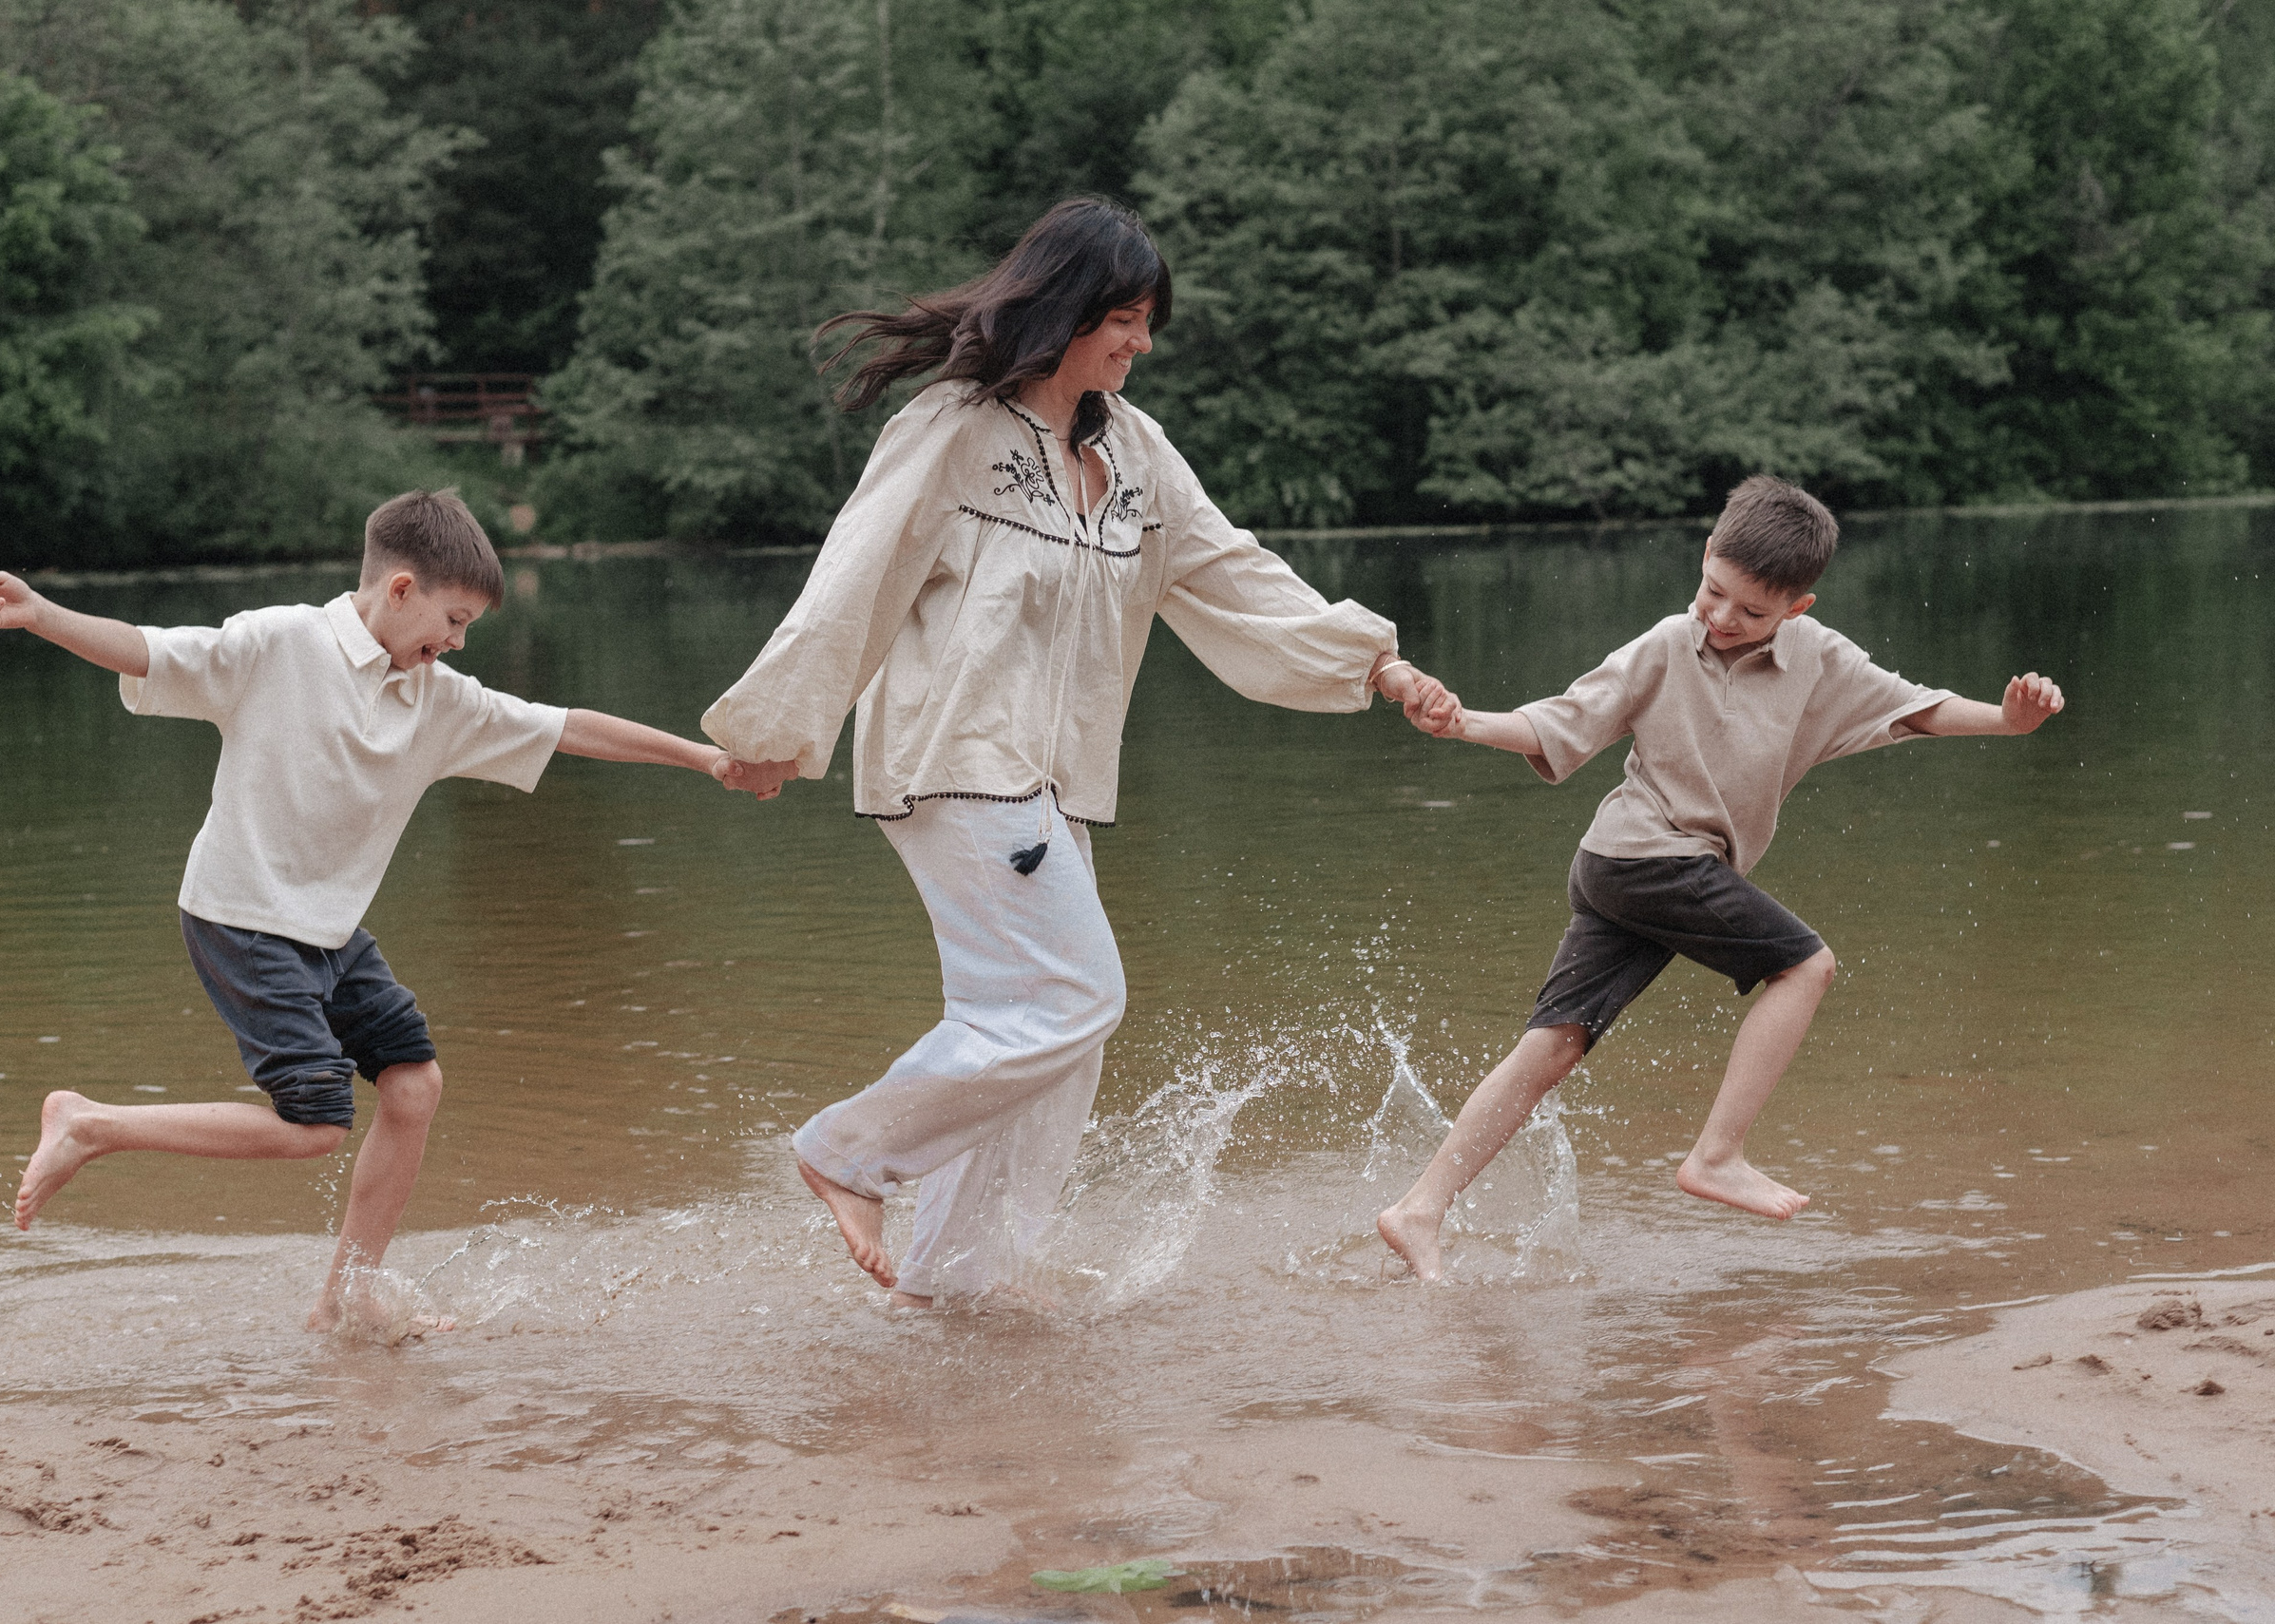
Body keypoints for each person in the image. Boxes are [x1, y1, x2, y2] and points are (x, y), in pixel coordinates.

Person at [704, 198, 1460, 1307]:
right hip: (959, 762)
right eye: (1124, 316)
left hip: (1049, 787)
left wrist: (1375, 662)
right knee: (1071, 999)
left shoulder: (1136, 450)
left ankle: (951, 1288)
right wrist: (775, 730)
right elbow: (853, 578)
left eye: (1149, 321)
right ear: (1063, 310)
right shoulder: (953, 429)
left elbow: (1231, 570)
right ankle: (844, 1150)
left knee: (1050, 1049)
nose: (1140, 342)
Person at [0, 489, 790, 1333]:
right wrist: (40, 613)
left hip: (328, 929)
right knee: (313, 1123)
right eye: (452, 619)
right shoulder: (278, 644)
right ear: (399, 590)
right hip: (242, 914)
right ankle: (91, 1124)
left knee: (415, 1085)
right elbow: (148, 651)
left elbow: (569, 727)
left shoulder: (437, 699)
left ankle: (345, 1295)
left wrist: (706, 760)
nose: (456, 643)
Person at [1376, 474, 2065, 1282]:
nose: (1723, 618)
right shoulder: (1668, 643)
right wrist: (1463, 722)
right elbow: (1562, 720)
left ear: (1797, 609)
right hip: (1641, 858)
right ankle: (1717, 1155)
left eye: (1752, 611)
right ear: (1705, 557)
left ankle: (1418, 1208)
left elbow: (1915, 708)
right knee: (1806, 964)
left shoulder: (1819, 662)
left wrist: (2008, 721)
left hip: (1626, 872)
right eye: (1714, 592)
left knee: (1553, 1045)